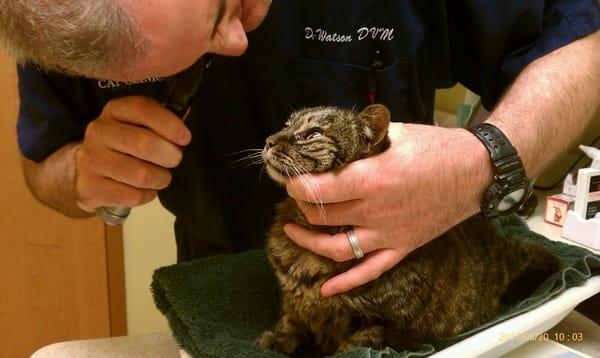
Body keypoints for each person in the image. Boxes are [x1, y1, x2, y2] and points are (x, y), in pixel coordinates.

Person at [2, 0, 599, 298]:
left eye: (227, 6)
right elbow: (43, 167)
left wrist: (485, 160)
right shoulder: (55, 18)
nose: (236, 43)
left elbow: (585, 39)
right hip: (216, 280)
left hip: (400, 278)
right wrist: (81, 174)